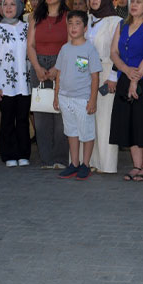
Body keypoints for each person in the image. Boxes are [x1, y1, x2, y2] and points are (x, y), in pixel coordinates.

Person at [109, 0, 143, 181]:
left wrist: (134, 77)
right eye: (132, 1)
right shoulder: (122, 24)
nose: (134, 5)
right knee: (129, 123)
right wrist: (126, 71)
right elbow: (113, 52)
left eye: (139, 2)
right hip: (124, 78)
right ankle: (136, 165)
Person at [52, 11, 102, 180]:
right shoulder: (64, 49)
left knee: (86, 132)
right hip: (65, 98)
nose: (73, 27)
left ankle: (85, 164)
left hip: (83, 99)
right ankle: (74, 163)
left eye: (78, 23)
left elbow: (95, 76)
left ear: (85, 28)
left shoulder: (89, 49)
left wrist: (92, 100)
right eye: (70, 23)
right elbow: (59, 73)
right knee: (71, 132)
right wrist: (56, 95)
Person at [27, 0, 70, 169]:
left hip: (62, 65)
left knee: (61, 115)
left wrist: (57, 68)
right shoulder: (36, 16)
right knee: (41, 115)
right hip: (39, 65)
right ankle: (46, 158)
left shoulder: (69, 17)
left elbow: (70, 45)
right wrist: (37, 67)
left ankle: (60, 158)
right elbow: (30, 46)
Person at [0, 0, 31, 167]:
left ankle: (23, 153)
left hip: (25, 83)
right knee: (7, 120)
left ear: (19, 7)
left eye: (12, 4)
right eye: (4, 4)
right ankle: (9, 154)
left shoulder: (27, 28)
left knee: (22, 120)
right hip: (4, 84)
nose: (8, 8)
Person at [86, 0, 122, 173]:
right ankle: (90, 161)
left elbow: (119, 51)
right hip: (87, 75)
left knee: (105, 119)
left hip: (107, 72)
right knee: (88, 117)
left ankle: (106, 164)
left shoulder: (116, 21)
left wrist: (114, 76)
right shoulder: (87, 19)